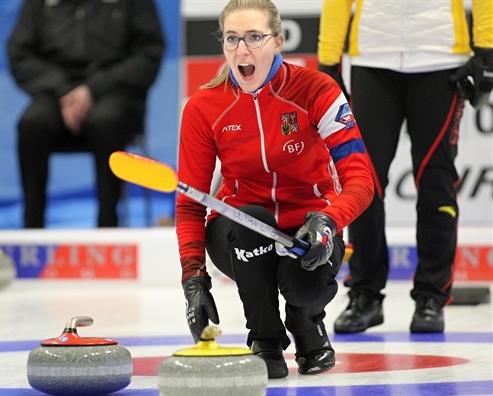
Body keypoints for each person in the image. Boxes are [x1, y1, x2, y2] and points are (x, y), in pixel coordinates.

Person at [175, 0, 374, 379]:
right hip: (238, 229)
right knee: (252, 219)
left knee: (305, 285)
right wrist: (194, 281)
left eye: (254, 37)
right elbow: (190, 204)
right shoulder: (204, 107)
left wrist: (328, 221)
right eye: (232, 39)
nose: (242, 51)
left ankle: (307, 323)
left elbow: (361, 180)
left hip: (310, 225)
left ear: (279, 41)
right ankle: (264, 339)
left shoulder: (318, 89)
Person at [317, 0, 493, 334]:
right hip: (372, 58)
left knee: (436, 183)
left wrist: (486, 48)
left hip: (441, 57)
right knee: (363, 181)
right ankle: (365, 293)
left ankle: (431, 296)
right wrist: (329, 59)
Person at [7, 0, 165, 228]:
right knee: (32, 124)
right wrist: (64, 90)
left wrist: (93, 89)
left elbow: (148, 56)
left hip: (114, 91)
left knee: (107, 121)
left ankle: (108, 226)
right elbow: (19, 54)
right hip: (56, 93)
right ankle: (32, 229)